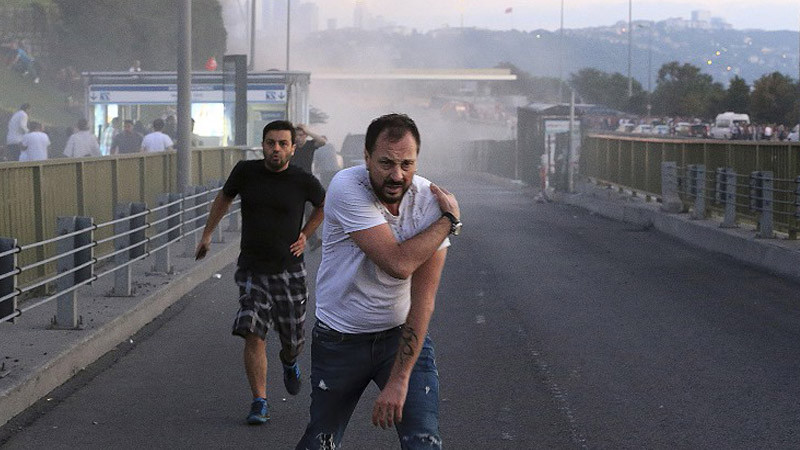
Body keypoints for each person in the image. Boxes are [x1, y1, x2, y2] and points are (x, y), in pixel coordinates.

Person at [296, 113, 462, 449]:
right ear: (367, 158)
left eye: (407, 163)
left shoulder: (430, 202)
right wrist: (449, 222)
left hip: (400, 338)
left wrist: (400, 380)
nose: (397, 175)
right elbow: (398, 265)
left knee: (424, 442)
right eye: (386, 163)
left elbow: (424, 299)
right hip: (340, 339)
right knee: (321, 442)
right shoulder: (346, 186)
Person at [195, 120, 325, 425]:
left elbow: (322, 205)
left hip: (289, 271)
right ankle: (260, 401)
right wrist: (207, 235)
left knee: (292, 338)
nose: (276, 148)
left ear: (293, 148)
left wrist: (306, 233)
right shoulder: (246, 172)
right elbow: (224, 199)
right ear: (263, 145)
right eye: (270, 143)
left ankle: (290, 361)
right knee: (252, 332)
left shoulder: (302, 179)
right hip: (252, 270)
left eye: (282, 143)